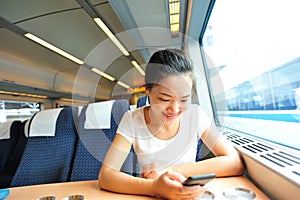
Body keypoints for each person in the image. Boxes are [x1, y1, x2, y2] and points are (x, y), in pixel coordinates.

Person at [98, 49, 244, 199]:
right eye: (165, 99)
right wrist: (155, 187)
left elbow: (234, 163)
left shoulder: (195, 115)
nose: (174, 109)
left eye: (184, 99)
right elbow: (106, 176)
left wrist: (170, 169)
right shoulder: (132, 120)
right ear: (147, 90)